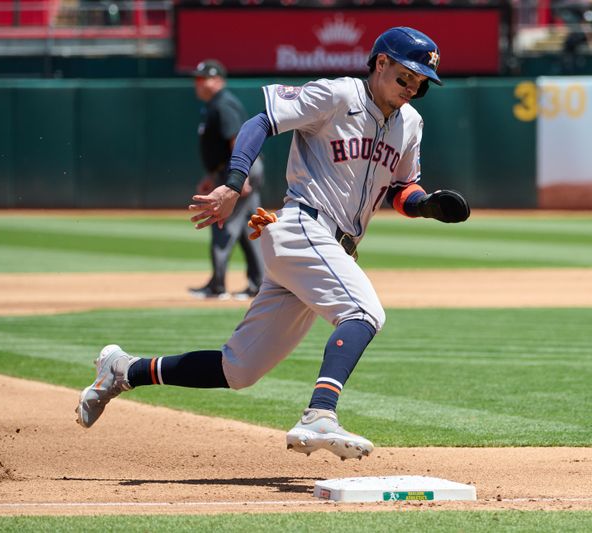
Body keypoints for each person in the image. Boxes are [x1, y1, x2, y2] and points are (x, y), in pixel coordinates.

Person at [76, 27, 470, 460]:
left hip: (331, 249)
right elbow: (261, 121)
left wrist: (425, 205)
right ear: (380, 63)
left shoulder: (410, 123)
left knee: (238, 369)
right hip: (301, 227)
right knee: (363, 312)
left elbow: (401, 188)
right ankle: (320, 413)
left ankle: (122, 370)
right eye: (404, 77)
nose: (411, 89)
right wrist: (232, 184)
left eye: (419, 85)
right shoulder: (337, 96)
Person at [188, 59, 265, 300]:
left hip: (239, 168)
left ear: (219, 80)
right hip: (233, 169)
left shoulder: (223, 105)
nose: (199, 83)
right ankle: (258, 284)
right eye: (197, 79)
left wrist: (238, 178)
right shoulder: (214, 105)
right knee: (249, 229)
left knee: (223, 223)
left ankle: (217, 286)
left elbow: (236, 141)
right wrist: (211, 176)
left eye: (204, 78)